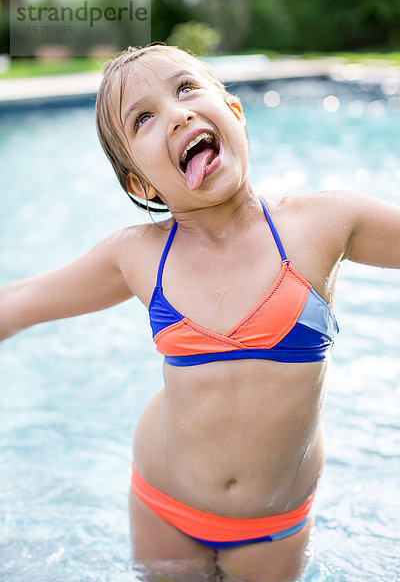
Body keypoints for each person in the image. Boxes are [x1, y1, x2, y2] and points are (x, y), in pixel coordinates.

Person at [1, 43, 399, 582]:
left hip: (274, 521)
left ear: (233, 112)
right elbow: (19, 303)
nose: (177, 113)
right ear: (140, 184)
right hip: (165, 506)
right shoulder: (138, 255)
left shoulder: (324, 225)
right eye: (143, 117)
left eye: (186, 88)